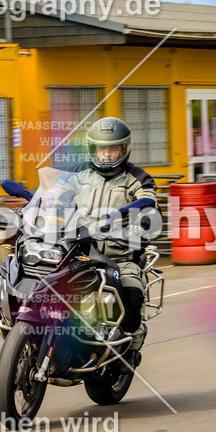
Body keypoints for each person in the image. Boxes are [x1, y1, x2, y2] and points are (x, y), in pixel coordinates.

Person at [71, 116, 157, 365]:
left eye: (112, 149)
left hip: (119, 257)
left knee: (131, 293)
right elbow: (54, 193)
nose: (106, 155)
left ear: (124, 149)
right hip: (77, 252)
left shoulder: (138, 178)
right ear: (93, 149)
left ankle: (129, 344)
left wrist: (131, 221)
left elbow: (148, 204)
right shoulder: (78, 173)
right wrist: (32, 199)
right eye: (102, 149)